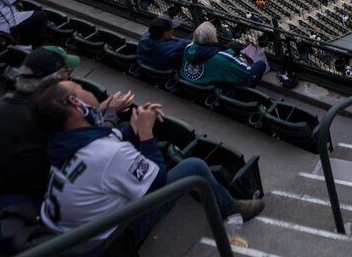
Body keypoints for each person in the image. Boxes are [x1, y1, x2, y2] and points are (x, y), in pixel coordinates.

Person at [32, 80, 264, 253]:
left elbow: (110, 142)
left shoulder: (64, 146)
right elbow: (157, 181)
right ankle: (231, 208)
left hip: (68, 241)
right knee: (194, 167)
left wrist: (134, 128)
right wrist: (145, 134)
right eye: (78, 88)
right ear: (75, 102)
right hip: (114, 242)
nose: (85, 89)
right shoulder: (107, 155)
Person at [0, 47, 132, 253]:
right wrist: (111, 114)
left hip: (1, 196)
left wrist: (99, 109)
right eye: (67, 75)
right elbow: (91, 143)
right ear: (56, 81)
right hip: (37, 203)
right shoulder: (41, 121)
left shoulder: (6, 104)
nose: (70, 78)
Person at [179, 21, 268, 89]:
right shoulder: (221, 58)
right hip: (216, 92)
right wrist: (244, 61)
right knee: (260, 65)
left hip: (191, 88)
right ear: (212, 38)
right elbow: (245, 72)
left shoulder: (187, 49)